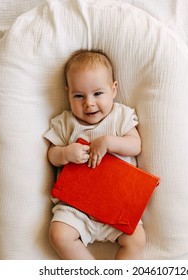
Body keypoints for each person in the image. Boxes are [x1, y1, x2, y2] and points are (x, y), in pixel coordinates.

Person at [44, 49, 146, 259]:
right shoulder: (65, 122)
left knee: (137, 240)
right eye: (78, 96)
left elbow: (135, 146)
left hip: (117, 204)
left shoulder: (120, 117)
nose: (88, 103)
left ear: (114, 89)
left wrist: (109, 142)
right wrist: (65, 153)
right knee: (58, 235)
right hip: (76, 207)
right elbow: (51, 155)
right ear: (68, 93)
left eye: (98, 94)